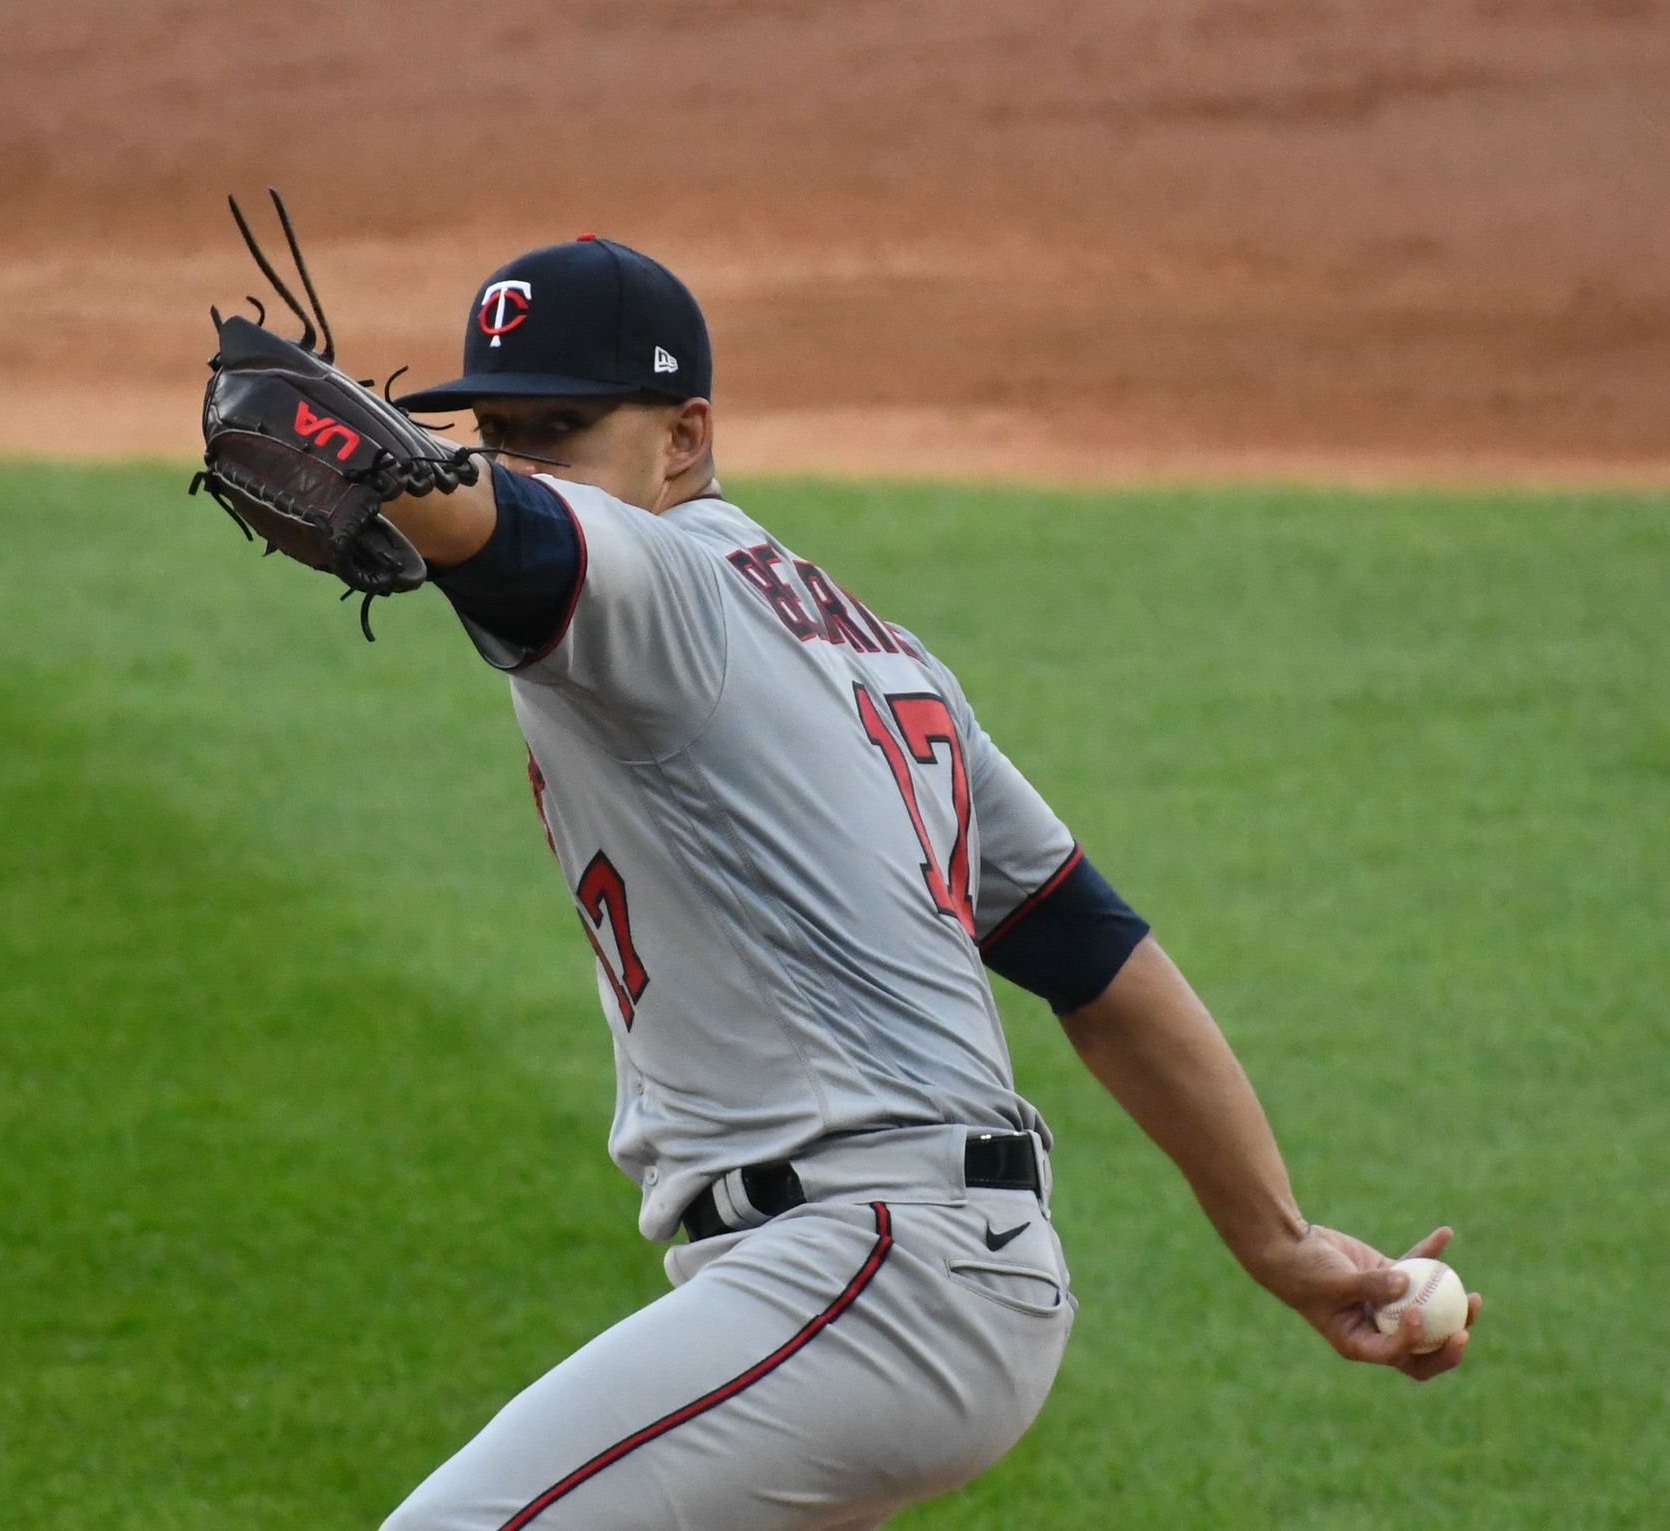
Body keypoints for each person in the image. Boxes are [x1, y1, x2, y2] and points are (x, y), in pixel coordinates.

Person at [370, 235, 1479, 1531]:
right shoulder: (876, 655)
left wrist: (368, 457)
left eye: (558, 428)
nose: (521, 463)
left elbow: (514, 542)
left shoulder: (658, 583)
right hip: (918, 1278)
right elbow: (1094, 957)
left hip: (873, 1273)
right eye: (495, 430)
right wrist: (1280, 1242)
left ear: (684, 439)